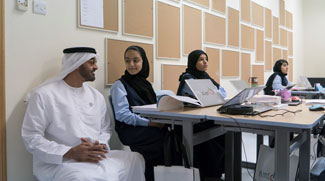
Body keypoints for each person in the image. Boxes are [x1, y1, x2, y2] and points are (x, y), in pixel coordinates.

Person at [22, 47, 145, 181]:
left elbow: (105, 129)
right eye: (91, 62)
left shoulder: (96, 96)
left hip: (95, 156)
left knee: (134, 159)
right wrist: (69, 152)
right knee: (82, 177)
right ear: (76, 64)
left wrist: (99, 145)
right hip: (61, 161)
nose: (96, 67)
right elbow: (31, 137)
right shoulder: (44, 95)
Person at [110, 45, 166, 181]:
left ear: (144, 61)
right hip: (130, 129)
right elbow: (122, 115)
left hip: (147, 125)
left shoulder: (146, 84)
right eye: (127, 60)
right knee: (164, 138)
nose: (131, 65)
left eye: (136, 60)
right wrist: (150, 123)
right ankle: (152, 176)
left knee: (174, 133)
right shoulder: (120, 85)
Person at [177, 49, 225, 180]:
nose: (205, 62)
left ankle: (216, 172)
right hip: (191, 121)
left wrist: (215, 94)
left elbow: (222, 92)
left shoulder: (205, 76)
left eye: (206, 59)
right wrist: (214, 94)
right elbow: (205, 95)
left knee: (225, 132)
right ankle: (208, 174)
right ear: (193, 62)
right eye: (201, 59)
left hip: (204, 117)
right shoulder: (188, 78)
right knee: (215, 135)